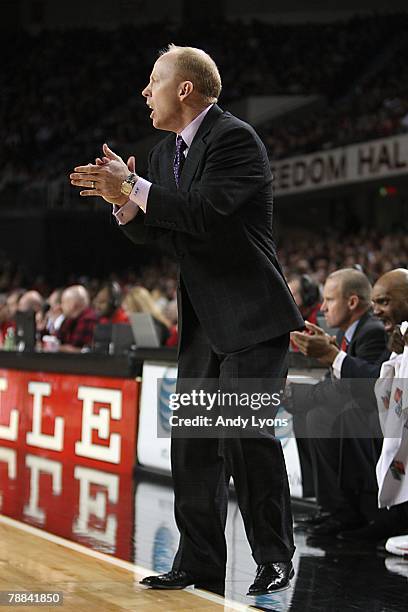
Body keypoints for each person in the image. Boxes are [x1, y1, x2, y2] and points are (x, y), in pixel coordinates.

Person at [70, 44, 304, 596]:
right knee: (193, 444)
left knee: (245, 435)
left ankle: (274, 557)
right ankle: (198, 561)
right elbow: (159, 231)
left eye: (153, 81)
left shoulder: (235, 140)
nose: (144, 92)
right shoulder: (159, 156)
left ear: (185, 89)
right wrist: (121, 200)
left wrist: (134, 190)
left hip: (253, 315)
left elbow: (203, 213)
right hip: (203, 319)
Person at [291, 269, 387, 535]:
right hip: (358, 412)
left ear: (352, 302)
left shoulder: (373, 331)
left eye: (329, 300)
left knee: (318, 416)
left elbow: (360, 388)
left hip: (374, 417)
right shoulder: (351, 333)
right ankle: (331, 507)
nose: (322, 308)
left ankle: (348, 510)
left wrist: (304, 393)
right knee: (305, 415)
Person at [57, 285, 98, 352]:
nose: (61, 306)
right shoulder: (68, 319)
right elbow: (58, 340)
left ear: (73, 304)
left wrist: (58, 348)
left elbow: (77, 349)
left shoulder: (88, 319)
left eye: (63, 302)